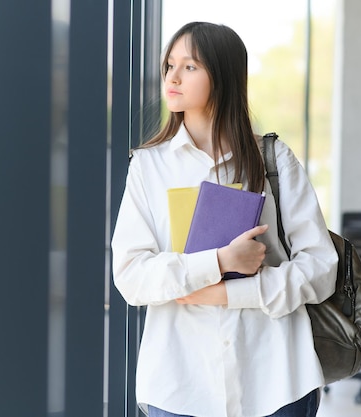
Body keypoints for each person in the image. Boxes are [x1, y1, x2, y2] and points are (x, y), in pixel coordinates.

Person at [111, 22, 338, 417]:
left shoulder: (273, 160)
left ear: (224, 76)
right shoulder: (149, 166)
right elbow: (130, 275)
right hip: (181, 385)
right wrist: (218, 262)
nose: (173, 77)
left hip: (276, 380)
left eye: (190, 66)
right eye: (169, 65)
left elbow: (320, 270)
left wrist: (230, 293)